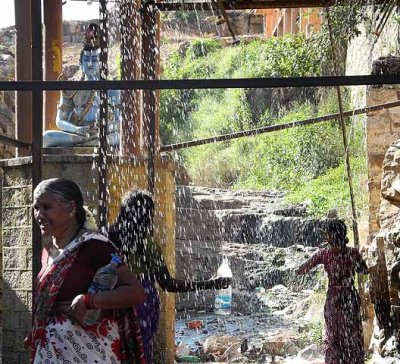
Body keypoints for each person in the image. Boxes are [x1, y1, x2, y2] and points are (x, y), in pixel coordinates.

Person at [26, 178, 147, 363]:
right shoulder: (49, 251)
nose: (39, 214)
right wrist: (37, 330)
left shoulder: (95, 247)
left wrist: (89, 300)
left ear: (71, 208)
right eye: (36, 208)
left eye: (46, 207)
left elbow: (136, 292)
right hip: (52, 352)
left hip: (92, 354)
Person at [108, 189, 232, 364]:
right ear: (147, 216)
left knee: (111, 351)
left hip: (109, 303)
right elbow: (168, 284)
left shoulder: (105, 236)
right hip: (140, 307)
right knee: (139, 352)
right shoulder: (147, 244)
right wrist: (211, 283)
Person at [296, 219, 369, 364]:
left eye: (327, 234)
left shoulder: (324, 254)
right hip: (349, 298)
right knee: (352, 334)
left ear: (331, 235)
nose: (325, 236)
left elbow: (302, 270)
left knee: (333, 336)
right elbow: (364, 270)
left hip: (334, 300)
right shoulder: (352, 253)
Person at [43, 43, 120, 148]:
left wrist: (104, 128)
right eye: (86, 59)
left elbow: (120, 121)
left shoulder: (111, 88)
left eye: (94, 60)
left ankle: (89, 143)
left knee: (122, 135)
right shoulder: (72, 87)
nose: (89, 63)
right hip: (78, 134)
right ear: (80, 63)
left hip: (103, 133)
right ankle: (88, 143)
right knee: (47, 137)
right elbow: (60, 121)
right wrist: (76, 129)